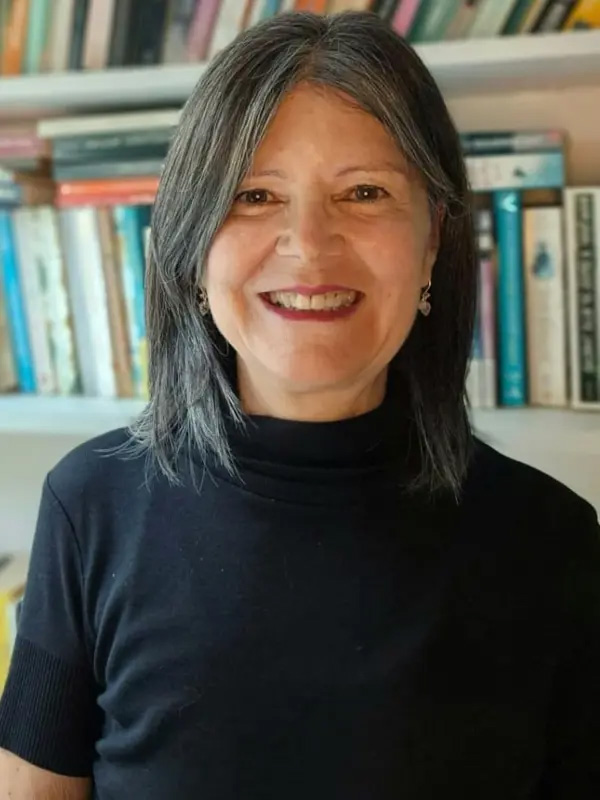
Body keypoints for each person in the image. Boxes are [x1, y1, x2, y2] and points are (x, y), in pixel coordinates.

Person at [0, 11, 599, 800]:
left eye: (364, 192)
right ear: (192, 243)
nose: (309, 246)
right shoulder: (89, 508)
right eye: (254, 195)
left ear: (433, 240)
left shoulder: (553, 542)